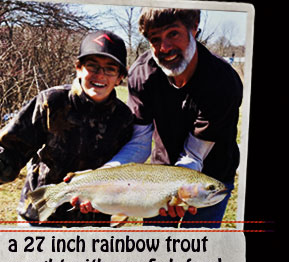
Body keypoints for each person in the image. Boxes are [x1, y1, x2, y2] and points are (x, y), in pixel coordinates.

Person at [103, 8, 243, 228]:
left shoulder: (222, 81)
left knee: (196, 252)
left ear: (194, 27)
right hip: (161, 174)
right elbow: (140, 142)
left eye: (173, 34)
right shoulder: (142, 74)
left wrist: (178, 191)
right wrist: (106, 174)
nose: (164, 48)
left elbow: (194, 156)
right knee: (155, 250)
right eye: (155, 39)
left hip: (212, 178)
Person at [0, 30, 134, 226]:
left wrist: (119, 207)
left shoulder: (124, 118)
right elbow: (11, 149)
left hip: (93, 222)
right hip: (40, 215)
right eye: (92, 66)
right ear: (78, 68)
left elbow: (123, 172)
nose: (100, 75)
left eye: (110, 69)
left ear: (120, 77)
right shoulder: (51, 102)